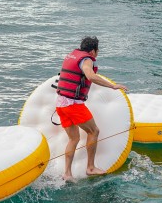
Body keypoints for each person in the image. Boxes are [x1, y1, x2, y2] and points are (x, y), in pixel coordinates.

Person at [53, 36, 126, 180]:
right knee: (94, 131)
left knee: (73, 139)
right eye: (97, 51)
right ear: (93, 51)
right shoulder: (86, 60)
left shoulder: (72, 56)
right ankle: (91, 168)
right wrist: (113, 86)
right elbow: (90, 76)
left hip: (60, 104)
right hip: (73, 105)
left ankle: (67, 174)